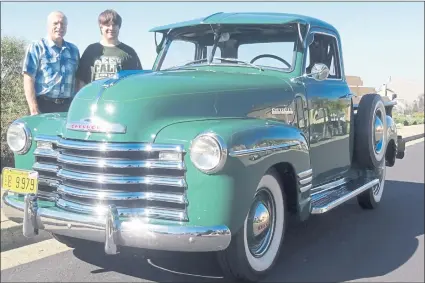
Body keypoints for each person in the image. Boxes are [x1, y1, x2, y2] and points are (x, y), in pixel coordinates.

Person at [22, 11, 80, 115]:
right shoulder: (37, 47)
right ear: (48, 26)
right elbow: (28, 78)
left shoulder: (73, 50)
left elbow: (77, 79)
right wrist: (34, 108)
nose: (60, 27)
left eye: (63, 24)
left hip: (67, 107)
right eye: (55, 23)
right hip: (42, 106)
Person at [76, 9, 142, 89]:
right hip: (95, 99)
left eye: (114, 25)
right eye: (107, 25)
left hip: (119, 99)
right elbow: (81, 80)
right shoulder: (91, 50)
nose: (111, 28)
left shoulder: (129, 52)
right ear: (101, 27)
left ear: (119, 27)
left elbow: (136, 81)